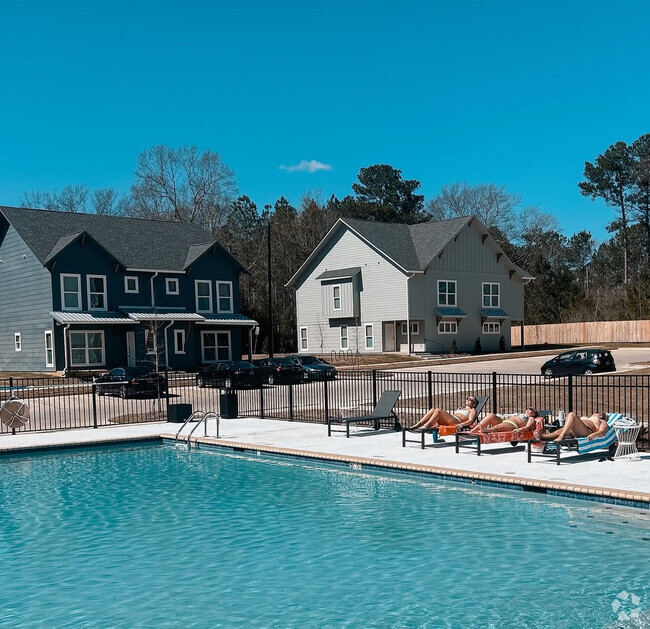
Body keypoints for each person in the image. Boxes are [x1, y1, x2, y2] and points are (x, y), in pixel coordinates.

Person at [410, 396, 479, 431]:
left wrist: (462, 424)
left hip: (457, 421)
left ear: (473, 403)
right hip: (451, 419)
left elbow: (470, 420)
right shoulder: (461, 408)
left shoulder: (472, 410)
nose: (468, 400)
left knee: (438, 410)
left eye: (471, 399)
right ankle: (418, 424)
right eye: (467, 398)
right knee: (432, 410)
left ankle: (426, 425)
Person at [534, 411, 609, 442]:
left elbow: (602, 431)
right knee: (558, 432)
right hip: (576, 430)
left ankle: (562, 436)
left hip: (587, 431)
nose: (594, 413)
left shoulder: (602, 421)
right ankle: (542, 437)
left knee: (571, 414)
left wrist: (594, 434)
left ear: (601, 415)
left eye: (596, 412)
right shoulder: (588, 418)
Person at [471, 407, 538, 434]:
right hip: (504, 421)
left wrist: (520, 430)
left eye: (531, 409)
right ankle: (477, 427)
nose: (528, 409)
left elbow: (528, 426)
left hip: (512, 425)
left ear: (533, 413)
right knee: (491, 415)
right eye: (528, 408)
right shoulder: (519, 414)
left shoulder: (531, 418)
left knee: (500, 426)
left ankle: (485, 430)